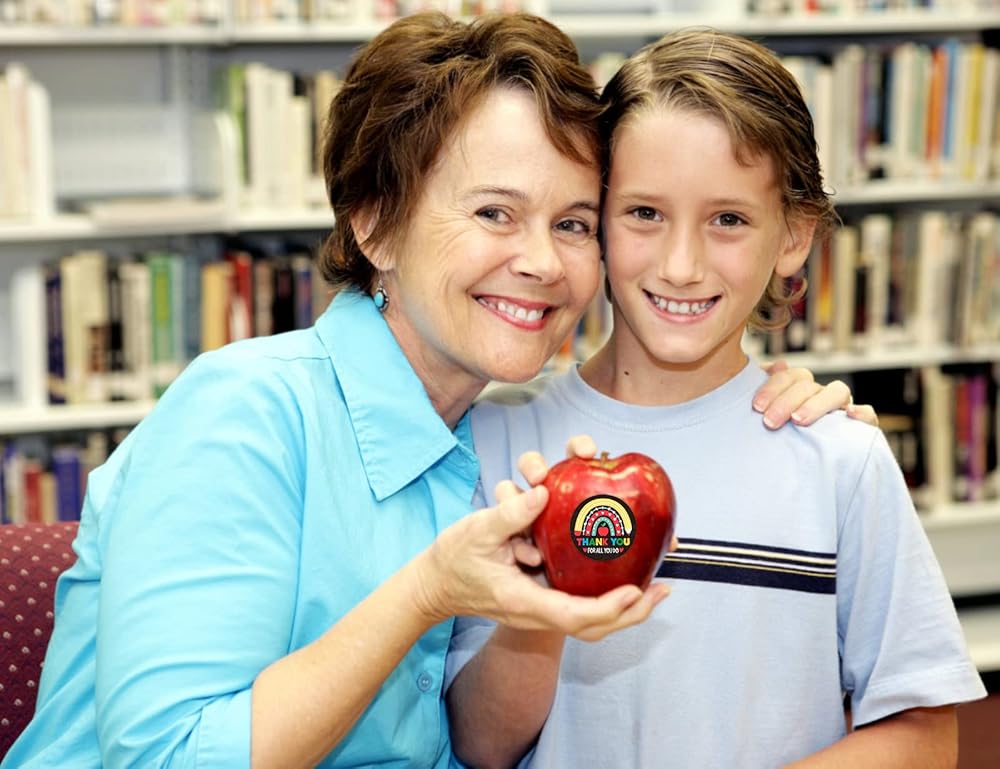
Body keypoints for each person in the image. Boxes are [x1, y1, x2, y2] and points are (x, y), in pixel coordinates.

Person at [0, 15, 863, 769]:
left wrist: (771, 421)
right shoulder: (243, 413)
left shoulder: (495, 442)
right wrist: (425, 592)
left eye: (572, 223)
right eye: (494, 213)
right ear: (375, 223)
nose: (542, 261)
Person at [446, 28, 987, 769]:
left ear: (793, 236)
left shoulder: (840, 459)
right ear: (593, 219)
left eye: (728, 219)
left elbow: (927, 735)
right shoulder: (499, 446)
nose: (680, 265)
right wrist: (538, 607)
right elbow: (478, 745)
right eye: (644, 213)